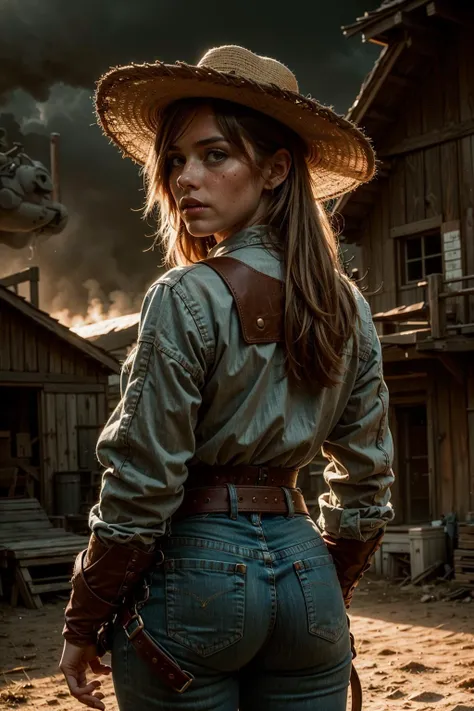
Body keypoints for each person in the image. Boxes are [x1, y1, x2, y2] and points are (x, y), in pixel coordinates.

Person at [59, 45, 394, 711]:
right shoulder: (348, 306)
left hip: (196, 574)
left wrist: (83, 617)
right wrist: (323, 582)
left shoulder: (185, 296)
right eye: (176, 159)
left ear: (274, 169)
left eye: (215, 155)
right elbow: (367, 479)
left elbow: (143, 480)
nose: (186, 177)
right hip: (308, 575)